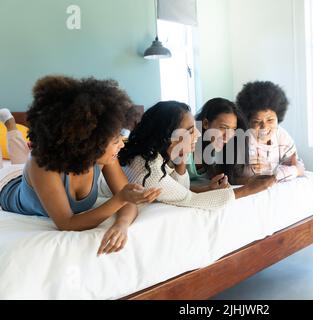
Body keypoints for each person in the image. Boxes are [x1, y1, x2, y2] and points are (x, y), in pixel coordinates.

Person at [0, 76, 161, 255]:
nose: (121, 145)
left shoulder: (106, 156)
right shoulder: (41, 164)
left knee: (21, 156)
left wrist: (121, 225)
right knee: (19, 154)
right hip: (7, 184)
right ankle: (10, 124)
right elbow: (66, 223)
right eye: (116, 141)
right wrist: (120, 199)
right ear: (91, 142)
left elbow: (128, 199)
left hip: (35, 177)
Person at [118, 100, 276, 211]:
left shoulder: (154, 158)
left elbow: (181, 189)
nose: (198, 133)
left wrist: (181, 158)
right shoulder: (147, 169)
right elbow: (189, 199)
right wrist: (251, 189)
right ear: (167, 135)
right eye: (190, 130)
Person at [236, 81, 305, 182]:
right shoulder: (241, 139)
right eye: (257, 121)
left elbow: (299, 167)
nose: (264, 126)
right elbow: (235, 176)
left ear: (278, 117)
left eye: (270, 120)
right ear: (247, 122)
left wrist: (294, 169)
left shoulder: (282, 136)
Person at [188, 97, 248, 190]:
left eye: (233, 129)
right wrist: (207, 189)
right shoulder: (186, 148)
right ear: (205, 124)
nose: (228, 136)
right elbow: (171, 187)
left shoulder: (220, 152)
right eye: (223, 127)